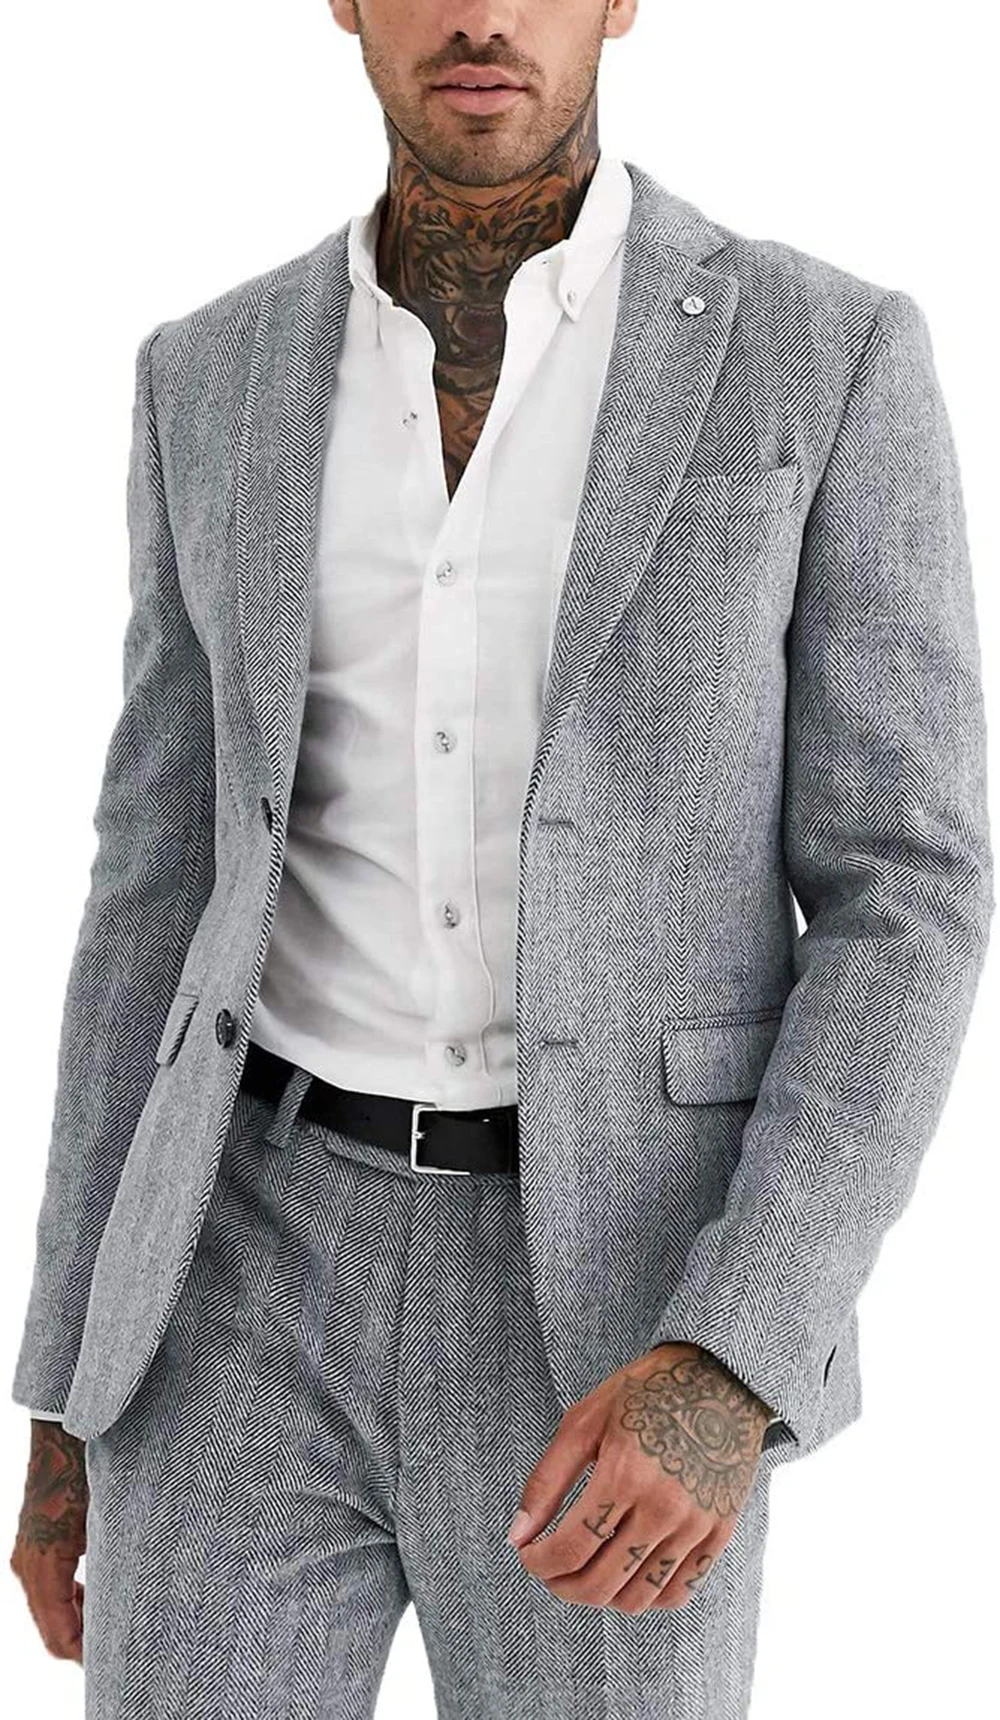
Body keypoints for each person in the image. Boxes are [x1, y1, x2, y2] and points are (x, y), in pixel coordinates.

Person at [9, 1, 993, 1715]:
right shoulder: (208, 374)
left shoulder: (823, 356)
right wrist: (70, 1382)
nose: (480, 13)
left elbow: (908, 892)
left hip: (625, 1294)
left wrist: (736, 1350)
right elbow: (154, 881)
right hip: (236, 1265)